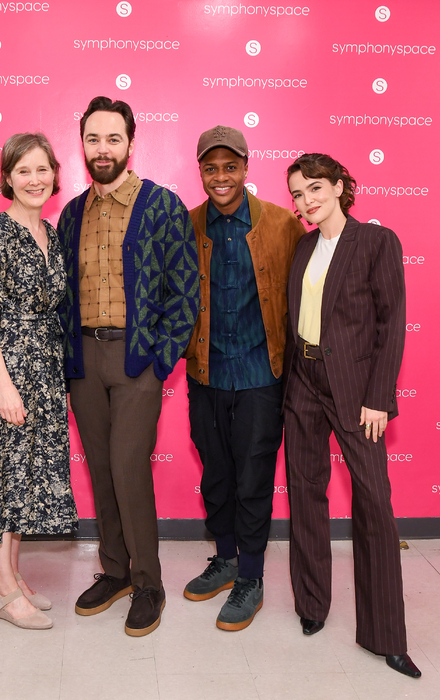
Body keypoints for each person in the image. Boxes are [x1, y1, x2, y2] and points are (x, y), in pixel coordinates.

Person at [57, 96, 199, 637]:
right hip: (83, 363)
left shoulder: (161, 206)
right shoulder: (72, 213)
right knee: (99, 467)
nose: (102, 148)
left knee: (128, 468)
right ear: (83, 145)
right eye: (93, 139)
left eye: (113, 138)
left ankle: (148, 583)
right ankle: (114, 570)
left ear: (130, 143)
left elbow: (186, 293)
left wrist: (160, 360)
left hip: (137, 359)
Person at [283, 153, 420, 678]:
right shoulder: (303, 247)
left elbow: (392, 324)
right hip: (304, 385)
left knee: (374, 505)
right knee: (305, 493)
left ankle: (386, 634)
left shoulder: (377, 243)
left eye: (315, 188)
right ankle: (312, 607)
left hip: (358, 391)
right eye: (298, 194)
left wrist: (379, 397)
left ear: (341, 185)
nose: (307, 201)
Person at [183, 126, 305, 631]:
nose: (221, 177)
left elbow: (300, 301)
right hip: (206, 374)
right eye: (211, 168)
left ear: (246, 168)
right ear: (202, 173)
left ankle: (251, 578)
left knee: (253, 480)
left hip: (260, 374)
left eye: (230, 167)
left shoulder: (281, 224)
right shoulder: (187, 225)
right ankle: (227, 559)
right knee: (216, 476)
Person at [0, 133, 78, 631]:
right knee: (4, 476)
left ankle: (9, 574)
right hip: (6, 370)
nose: (35, 180)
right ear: (7, 178)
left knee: (27, 478)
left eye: (42, 169)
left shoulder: (50, 234)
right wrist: (4, 386)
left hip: (46, 370)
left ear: (54, 173)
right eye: (23, 171)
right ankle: (3, 589)